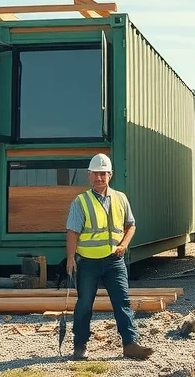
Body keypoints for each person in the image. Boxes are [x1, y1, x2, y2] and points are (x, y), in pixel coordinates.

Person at [65, 153, 153, 361]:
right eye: (95, 174)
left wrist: (123, 244)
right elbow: (72, 232)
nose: (99, 178)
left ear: (110, 175)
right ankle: (80, 346)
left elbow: (131, 225)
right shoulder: (81, 202)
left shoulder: (121, 198)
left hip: (114, 261)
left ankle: (130, 345)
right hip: (87, 263)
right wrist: (70, 258)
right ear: (89, 175)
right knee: (85, 304)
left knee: (122, 302)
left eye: (103, 174)